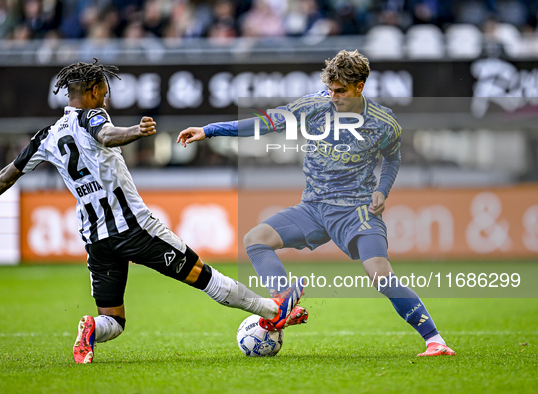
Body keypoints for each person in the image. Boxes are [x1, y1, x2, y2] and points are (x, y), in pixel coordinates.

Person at [0, 59, 307, 364]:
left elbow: (11, 171)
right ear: (94, 91)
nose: (106, 98)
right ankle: (272, 310)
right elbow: (107, 134)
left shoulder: (46, 137)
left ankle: (92, 329)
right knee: (204, 276)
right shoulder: (93, 116)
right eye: (105, 92)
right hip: (135, 230)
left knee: (113, 320)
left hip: (96, 239)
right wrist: (135, 132)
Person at [177, 49, 456, 357]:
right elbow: (265, 123)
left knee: (381, 275)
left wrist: (382, 190)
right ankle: (284, 300)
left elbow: (393, 158)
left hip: (356, 210)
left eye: (341, 91)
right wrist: (209, 130)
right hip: (312, 208)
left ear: (359, 87)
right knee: (255, 240)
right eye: (331, 89)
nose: (333, 96)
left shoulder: (383, 122)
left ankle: (435, 341)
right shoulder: (313, 106)